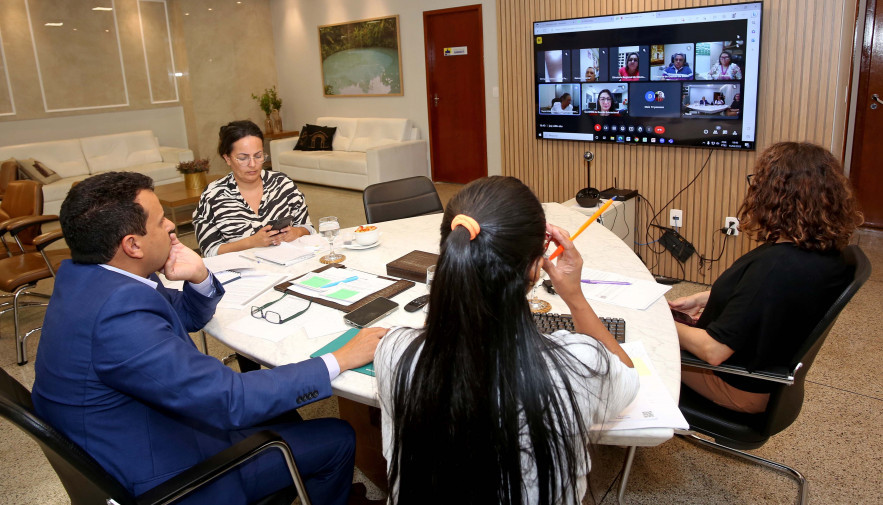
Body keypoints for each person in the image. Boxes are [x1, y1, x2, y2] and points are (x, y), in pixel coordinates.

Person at [31, 171, 386, 505]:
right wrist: (340, 358)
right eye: (159, 221)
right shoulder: (118, 316)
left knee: (285, 414)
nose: (172, 225)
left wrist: (200, 275)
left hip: (137, 430)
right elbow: (232, 400)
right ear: (132, 245)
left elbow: (183, 315)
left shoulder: (92, 277)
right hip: (172, 473)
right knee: (337, 437)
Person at [374, 176, 638, 504]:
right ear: (534, 270)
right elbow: (626, 373)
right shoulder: (580, 363)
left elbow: (445, 333)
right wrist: (575, 297)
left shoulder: (392, 351)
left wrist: (455, 285)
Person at [669, 142, 862, 414]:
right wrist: (706, 297)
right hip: (760, 369)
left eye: (757, 181)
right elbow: (765, 299)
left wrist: (660, 322)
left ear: (775, 194)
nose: (753, 188)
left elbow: (713, 351)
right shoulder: (820, 249)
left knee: (622, 341)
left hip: (736, 384)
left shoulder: (777, 266)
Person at [193, 120, 313, 258]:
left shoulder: (282, 184)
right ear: (227, 158)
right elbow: (210, 251)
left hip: (289, 264)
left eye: (258, 156)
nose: (253, 164)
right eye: (243, 158)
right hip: (241, 272)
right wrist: (251, 242)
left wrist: (296, 232)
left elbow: (309, 228)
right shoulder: (213, 196)